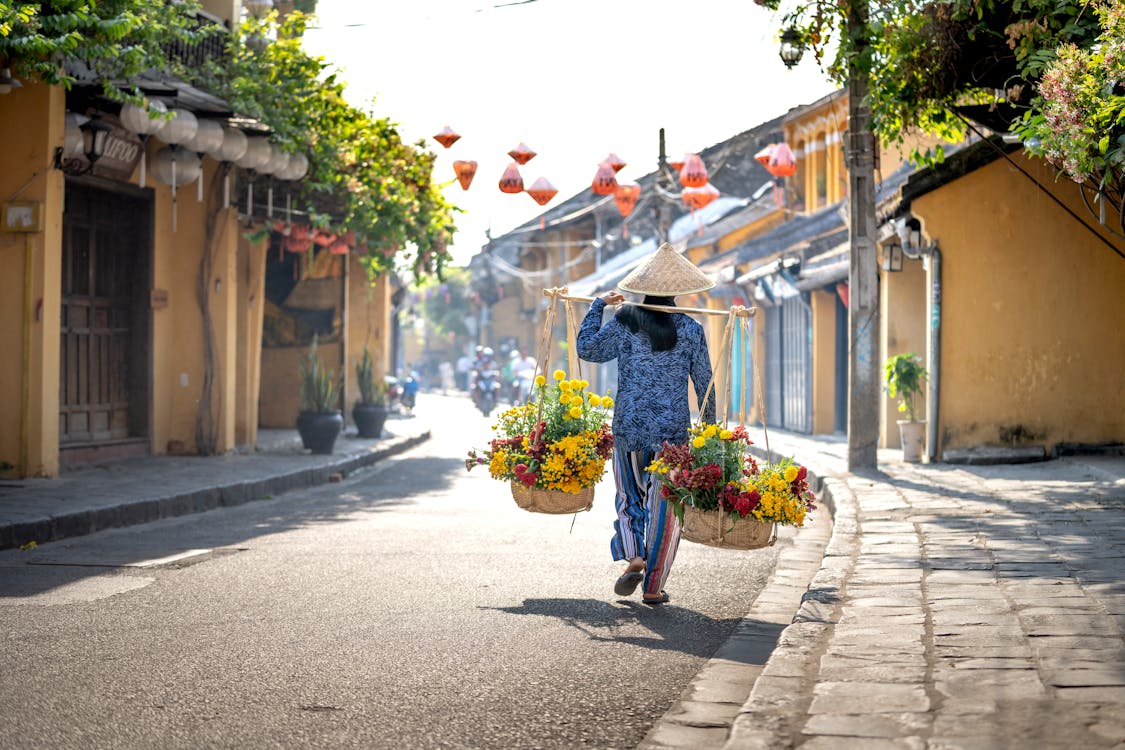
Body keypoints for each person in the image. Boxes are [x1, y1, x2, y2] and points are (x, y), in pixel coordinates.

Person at [576, 243, 716, 606]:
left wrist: (598, 307)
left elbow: (587, 349)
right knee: (666, 508)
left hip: (629, 427)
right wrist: (711, 433)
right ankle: (653, 586)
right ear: (676, 293)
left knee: (629, 498)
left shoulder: (625, 321)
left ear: (642, 287)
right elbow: (705, 384)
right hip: (672, 434)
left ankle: (634, 554)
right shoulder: (691, 329)